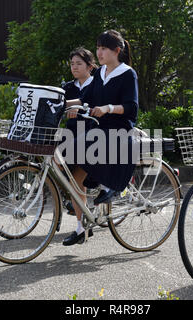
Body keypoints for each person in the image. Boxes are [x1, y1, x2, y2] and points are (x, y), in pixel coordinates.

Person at [61, 29, 139, 246]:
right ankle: (81, 228)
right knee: (75, 177)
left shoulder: (127, 73)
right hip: (97, 130)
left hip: (119, 131)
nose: (100, 52)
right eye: (98, 48)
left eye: (104, 48)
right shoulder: (100, 73)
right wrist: (59, 104)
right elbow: (83, 99)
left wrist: (108, 108)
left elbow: (132, 108)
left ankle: (109, 185)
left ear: (117, 51)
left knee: (77, 149)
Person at [61, 47, 97, 216]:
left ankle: (82, 219)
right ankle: (81, 215)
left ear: (90, 66)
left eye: (79, 64)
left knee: (77, 179)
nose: (74, 67)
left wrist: (78, 108)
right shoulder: (67, 87)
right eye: (72, 64)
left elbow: (91, 104)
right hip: (72, 134)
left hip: (91, 134)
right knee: (66, 172)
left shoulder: (98, 85)